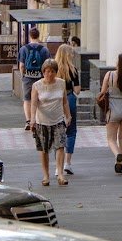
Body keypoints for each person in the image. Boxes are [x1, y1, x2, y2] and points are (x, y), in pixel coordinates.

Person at [28, 58, 72, 186]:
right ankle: (46, 175)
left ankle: (60, 174)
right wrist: (32, 120)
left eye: (52, 71)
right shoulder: (37, 86)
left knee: (60, 146)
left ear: (56, 72)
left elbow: (64, 101)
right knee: (44, 149)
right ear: (43, 72)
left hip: (58, 120)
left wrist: (68, 116)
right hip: (42, 121)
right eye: (47, 71)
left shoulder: (61, 83)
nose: (50, 74)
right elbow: (34, 104)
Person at [54, 44, 80, 175]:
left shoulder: (52, 69)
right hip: (69, 98)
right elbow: (77, 90)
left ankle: (57, 166)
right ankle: (67, 163)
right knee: (71, 131)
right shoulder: (73, 70)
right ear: (68, 55)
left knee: (56, 131)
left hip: (55, 100)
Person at [18, 27, 50, 130]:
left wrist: (23, 75)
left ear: (30, 36)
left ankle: (28, 121)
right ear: (38, 35)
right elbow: (48, 65)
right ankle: (38, 120)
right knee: (40, 99)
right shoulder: (44, 49)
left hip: (28, 77)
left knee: (27, 99)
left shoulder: (24, 49)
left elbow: (22, 65)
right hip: (40, 78)